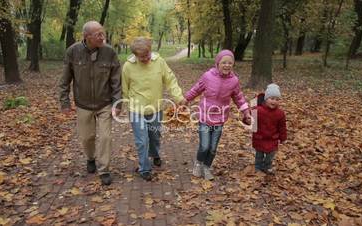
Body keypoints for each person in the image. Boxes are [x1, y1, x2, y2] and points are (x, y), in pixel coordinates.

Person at [58, 21, 121, 186]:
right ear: (87, 37)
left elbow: (116, 81)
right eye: (98, 34)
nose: (103, 37)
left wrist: (117, 103)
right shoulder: (73, 52)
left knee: (105, 137)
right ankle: (90, 158)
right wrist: (64, 103)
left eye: (103, 33)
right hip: (83, 104)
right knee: (87, 138)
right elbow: (65, 80)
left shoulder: (109, 52)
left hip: (105, 103)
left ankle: (104, 169)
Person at [122, 37, 185, 181]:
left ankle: (155, 154)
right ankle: (144, 168)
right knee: (142, 140)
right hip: (136, 110)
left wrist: (179, 97)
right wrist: (125, 105)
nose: (145, 58)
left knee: (154, 137)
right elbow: (124, 88)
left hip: (155, 108)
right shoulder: (128, 66)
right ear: (135, 55)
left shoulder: (159, 62)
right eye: (141, 56)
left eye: (147, 55)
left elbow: (170, 80)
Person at [183, 50, 251, 180]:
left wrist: (246, 112)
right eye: (224, 62)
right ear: (217, 63)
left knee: (213, 148)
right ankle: (198, 163)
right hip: (205, 116)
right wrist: (186, 100)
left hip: (220, 118)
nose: (227, 65)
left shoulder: (234, 81)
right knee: (204, 146)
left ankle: (207, 167)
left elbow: (239, 98)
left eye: (230, 63)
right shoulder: (208, 76)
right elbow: (197, 88)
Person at [252, 83, 287, 175]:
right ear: (266, 99)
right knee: (259, 155)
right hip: (259, 137)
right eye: (271, 98)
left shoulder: (280, 113)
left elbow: (282, 127)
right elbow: (250, 119)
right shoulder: (258, 110)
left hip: (272, 138)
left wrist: (283, 138)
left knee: (270, 155)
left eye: (277, 99)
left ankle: (267, 166)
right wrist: (247, 119)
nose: (274, 101)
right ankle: (258, 167)